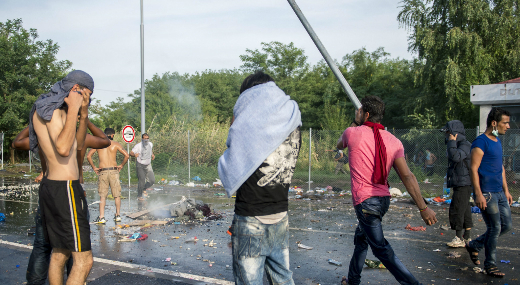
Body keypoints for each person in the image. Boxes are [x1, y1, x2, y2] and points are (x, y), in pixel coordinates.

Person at [337, 96, 437, 285]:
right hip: (382, 201)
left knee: (381, 249)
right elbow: (407, 176)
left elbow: (339, 145)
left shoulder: (352, 132)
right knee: (361, 238)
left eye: (359, 112)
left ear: (365, 114)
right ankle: (352, 280)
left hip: (366, 203)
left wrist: (355, 122)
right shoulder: (394, 141)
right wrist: (423, 208)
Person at [218, 71, 302, 285]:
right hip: (280, 215)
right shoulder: (292, 121)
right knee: (283, 278)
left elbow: (231, 154)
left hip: (251, 218)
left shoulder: (249, 128)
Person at [13, 122, 109, 285]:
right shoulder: (77, 138)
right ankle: (75, 279)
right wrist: (85, 120)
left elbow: (17, 142)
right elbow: (105, 140)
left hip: (49, 192)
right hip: (70, 192)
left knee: (45, 246)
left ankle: (34, 282)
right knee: (76, 250)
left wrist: (36, 124)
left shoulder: (44, 139)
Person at [29, 70, 95, 285]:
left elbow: (79, 143)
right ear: (75, 89)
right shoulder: (53, 112)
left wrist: (82, 114)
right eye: (87, 94)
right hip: (64, 189)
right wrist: (75, 105)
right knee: (84, 261)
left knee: (59, 253)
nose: (89, 99)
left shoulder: (50, 109)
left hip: (54, 187)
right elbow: (64, 149)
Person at [466, 107, 513, 278]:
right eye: (505, 123)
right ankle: (490, 265)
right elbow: (473, 168)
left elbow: (500, 168)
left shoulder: (497, 141)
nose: (508, 126)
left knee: (506, 226)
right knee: (495, 227)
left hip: (499, 193)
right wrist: (477, 194)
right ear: (494, 123)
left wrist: (506, 190)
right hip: (487, 193)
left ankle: (474, 245)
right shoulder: (480, 142)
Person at [441, 120, 473, 248]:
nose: (447, 135)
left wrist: (452, 142)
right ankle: (467, 236)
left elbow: (455, 157)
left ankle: (459, 237)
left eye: (449, 132)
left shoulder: (464, 145)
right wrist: (451, 143)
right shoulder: (458, 144)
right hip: (461, 181)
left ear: (455, 133)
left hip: (464, 182)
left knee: (457, 209)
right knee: (464, 209)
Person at [87, 128, 129, 224]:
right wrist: (121, 165)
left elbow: (88, 156)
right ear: (113, 134)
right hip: (114, 171)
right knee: (117, 195)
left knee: (103, 196)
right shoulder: (116, 144)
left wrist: (94, 167)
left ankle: (101, 217)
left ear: (104, 134)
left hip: (103, 171)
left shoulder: (99, 144)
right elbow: (126, 155)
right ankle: (118, 215)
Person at [130, 133, 155, 200]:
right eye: (144, 138)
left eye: (147, 138)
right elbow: (131, 152)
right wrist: (134, 155)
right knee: (142, 180)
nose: (146, 140)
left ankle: (144, 188)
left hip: (148, 165)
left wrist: (152, 154)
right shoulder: (138, 146)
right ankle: (139, 195)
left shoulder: (150, 144)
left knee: (152, 180)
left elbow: (150, 150)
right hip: (140, 165)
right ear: (142, 139)